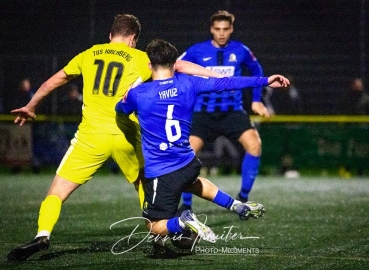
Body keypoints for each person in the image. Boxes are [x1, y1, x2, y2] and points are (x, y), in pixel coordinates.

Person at [7, 14, 228, 262]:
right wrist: (215, 76)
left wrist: (31, 106)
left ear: (111, 35)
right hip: (126, 135)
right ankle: (159, 238)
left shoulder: (89, 54)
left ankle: (42, 234)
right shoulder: (139, 57)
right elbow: (180, 67)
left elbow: (54, 81)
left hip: (91, 137)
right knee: (145, 187)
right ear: (133, 38)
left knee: (57, 192)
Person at [116, 39, 289, 244]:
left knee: (153, 226)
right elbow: (228, 82)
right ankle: (235, 204)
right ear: (174, 64)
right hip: (188, 164)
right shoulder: (190, 82)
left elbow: (120, 110)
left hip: (161, 171)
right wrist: (265, 80)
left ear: (149, 65)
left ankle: (182, 221)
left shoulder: (139, 93)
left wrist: (127, 94)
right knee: (193, 183)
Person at [178, 10, 270, 210]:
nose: (221, 33)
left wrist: (256, 100)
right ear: (211, 29)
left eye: (225, 29)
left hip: (232, 112)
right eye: (217, 29)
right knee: (186, 156)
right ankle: (186, 205)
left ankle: (244, 198)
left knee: (254, 145)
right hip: (203, 113)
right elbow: (176, 66)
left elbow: (257, 70)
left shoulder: (241, 50)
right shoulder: (197, 50)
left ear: (231, 29)